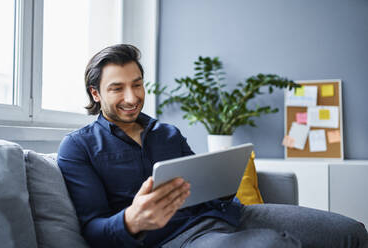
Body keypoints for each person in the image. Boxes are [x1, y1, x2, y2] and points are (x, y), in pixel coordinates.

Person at [57, 44, 368, 248]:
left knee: (352, 233)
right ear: (95, 94)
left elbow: (204, 182)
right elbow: (92, 230)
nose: (131, 97)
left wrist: (224, 179)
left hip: (232, 214)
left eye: (137, 84)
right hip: (175, 238)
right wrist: (131, 220)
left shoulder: (166, 132)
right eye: (117, 88)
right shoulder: (78, 147)